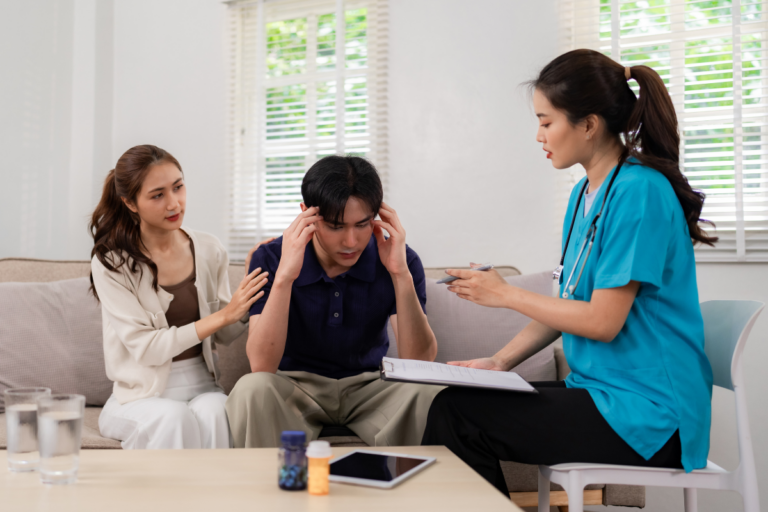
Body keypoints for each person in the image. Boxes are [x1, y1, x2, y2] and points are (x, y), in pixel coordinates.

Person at [421, 49, 716, 496]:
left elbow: (602, 321)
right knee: (454, 404)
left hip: (651, 414)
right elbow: (570, 303)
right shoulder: (585, 195)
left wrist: (506, 294)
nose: (538, 135)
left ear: (589, 124)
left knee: (458, 416)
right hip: (604, 394)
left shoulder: (640, 193)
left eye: (546, 121)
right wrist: (499, 363)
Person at [225, 155, 442, 448]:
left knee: (431, 392)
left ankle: (405, 490)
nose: (351, 241)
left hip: (371, 386)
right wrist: (286, 275)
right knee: (252, 389)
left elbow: (420, 363)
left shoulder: (399, 259)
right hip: (294, 387)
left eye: (362, 224)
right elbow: (261, 364)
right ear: (307, 214)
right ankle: (272, 491)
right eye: (336, 227)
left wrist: (400, 274)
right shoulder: (272, 258)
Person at [90, 144, 271, 449]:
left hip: (203, 384)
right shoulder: (112, 262)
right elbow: (146, 349)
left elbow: (225, 334)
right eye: (157, 195)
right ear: (130, 203)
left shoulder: (209, 249)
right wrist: (223, 315)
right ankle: (165, 498)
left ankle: (213, 497)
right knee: (173, 417)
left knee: (217, 410)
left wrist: (250, 296)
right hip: (140, 394)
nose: (174, 203)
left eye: (178, 187)